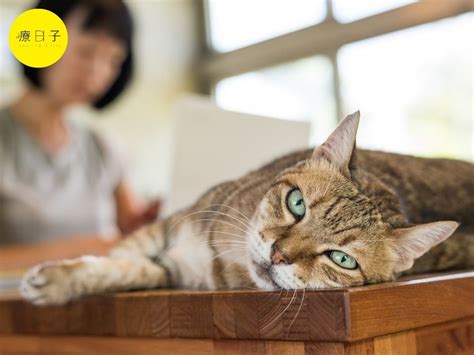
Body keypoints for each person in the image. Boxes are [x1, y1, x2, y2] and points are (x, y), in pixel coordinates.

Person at [0, 0, 159, 246]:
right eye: (86, 51)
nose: (97, 71)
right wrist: (89, 248)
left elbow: (132, 227)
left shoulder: (102, 146)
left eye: (113, 60)